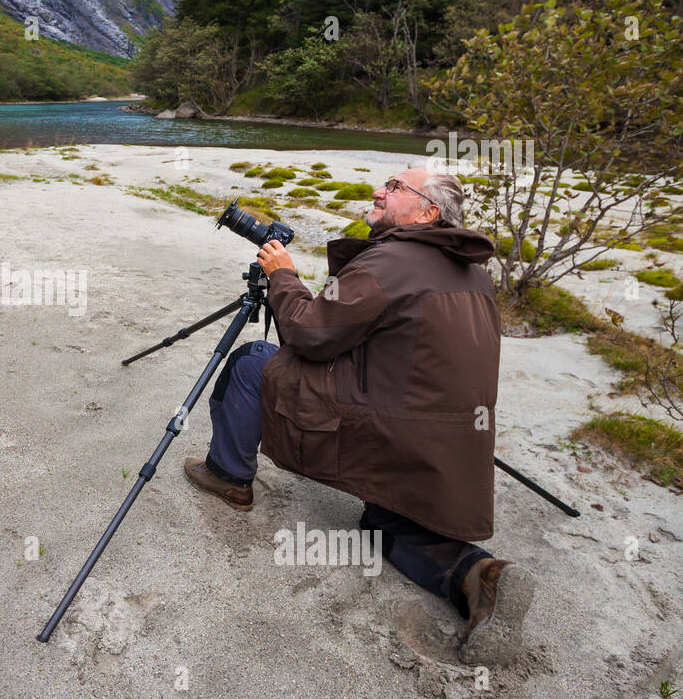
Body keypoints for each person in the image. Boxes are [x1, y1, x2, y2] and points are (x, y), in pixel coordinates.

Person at [184, 167, 535, 664]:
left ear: (428, 212)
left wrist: (283, 274)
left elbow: (308, 333)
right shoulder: (471, 269)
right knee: (382, 525)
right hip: (448, 439)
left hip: (383, 425)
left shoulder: (391, 261)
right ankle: (478, 576)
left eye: (395, 188)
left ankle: (229, 476)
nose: (379, 190)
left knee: (251, 362)